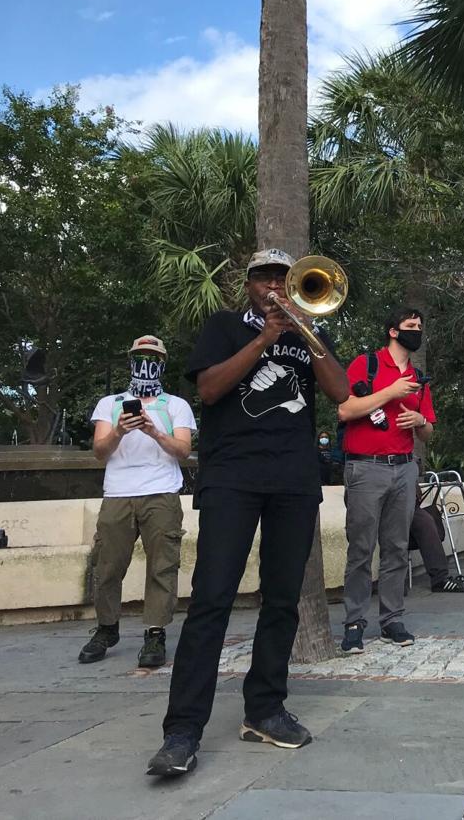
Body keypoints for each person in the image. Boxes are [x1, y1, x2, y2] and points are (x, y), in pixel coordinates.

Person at [148, 249, 349, 776]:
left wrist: (304, 332)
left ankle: (265, 709)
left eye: (284, 277)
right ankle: (182, 731)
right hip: (232, 477)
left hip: (295, 480)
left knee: (283, 601)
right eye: (265, 277)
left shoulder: (309, 331)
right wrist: (264, 338)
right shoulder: (224, 326)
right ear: (249, 284)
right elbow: (210, 389)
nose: (276, 286)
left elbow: (341, 391)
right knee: (211, 600)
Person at [81, 335, 196, 668]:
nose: (146, 362)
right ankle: (106, 628)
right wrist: (118, 430)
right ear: (130, 360)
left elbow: (184, 451)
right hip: (118, 493)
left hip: (161, 492)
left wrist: (154, 432)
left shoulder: (175, 405)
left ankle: (155, 633)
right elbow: (100, 452)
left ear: (162, 362)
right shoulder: (111, 403)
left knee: (162, 566)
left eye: (152, 356)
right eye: (139, 356)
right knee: (108, 566)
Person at [337, 306, 436, 655]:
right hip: (365, 468)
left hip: (404, 467)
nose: (417, 330)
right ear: (393, 331)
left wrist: (420, 419)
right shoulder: (367, 365)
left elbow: (429, 433)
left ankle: (392, 619)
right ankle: (353, 622)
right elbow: (345, 410)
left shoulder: (418, 376)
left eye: (420, 326)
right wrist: (391, 392)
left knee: (396, 548)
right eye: (411, 325)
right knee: (361, 549)